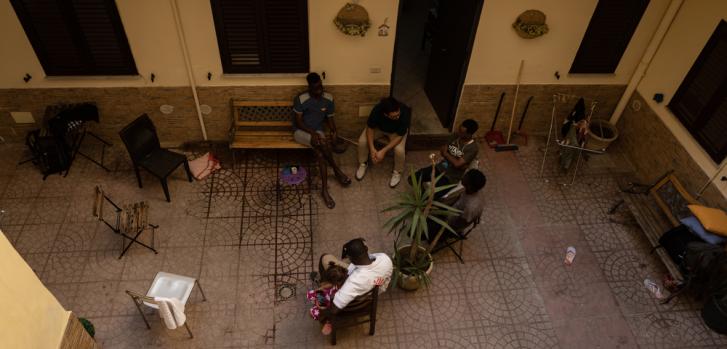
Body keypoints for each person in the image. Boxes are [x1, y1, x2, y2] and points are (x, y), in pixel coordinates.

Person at [293, 72, 351, 209]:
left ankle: (324, 191)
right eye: (315, 88)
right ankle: (337, 171)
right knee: (322, 144)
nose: (319, 90)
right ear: (309, 88)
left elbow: (330, 119)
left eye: (320, 86)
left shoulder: (328, 99)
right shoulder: (301, 99)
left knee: (320, 154)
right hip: (301, 132)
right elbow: (298, 122)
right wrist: (312, 133)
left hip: (317, 132)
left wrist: (334, 132)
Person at [318, 238, 393, 335]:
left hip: (356, 295)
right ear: (366, 248)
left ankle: (324, 282)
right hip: (373, 289)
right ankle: (328, 283)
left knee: (325, 258)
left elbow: (334, 309)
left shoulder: (352, 284)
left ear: (351, 259)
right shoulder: (385, 259)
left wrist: (320, 309)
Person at [410, 119, 479, 198]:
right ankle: (422, 195)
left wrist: (447, 154)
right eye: (459, 129)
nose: (459, 132)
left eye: (462, 132)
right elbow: (442, 150)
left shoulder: (473, 148)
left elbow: (456, 164)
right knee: (413, 178)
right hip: (441, 167)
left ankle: (424, 199)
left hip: (451, 177)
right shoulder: (455, 136)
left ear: (469, 134)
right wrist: (455, 160)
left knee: (431, 195)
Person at [355, 96, 411, 187]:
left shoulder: (404, 112)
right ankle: (363, 163)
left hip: (396, 133)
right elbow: (370, 128)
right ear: (385, 114)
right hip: (379, 129)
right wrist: (372, 148)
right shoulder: (377, 110)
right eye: (393, 116)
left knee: (399, 150)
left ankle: (397, 172)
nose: (397, 117)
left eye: (398, 114)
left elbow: (399, 136)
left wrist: (383, 151)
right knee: (362, 142)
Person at [425, 169, 486, 243]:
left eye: (465, 177)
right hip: (454, 210)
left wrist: (443, 220)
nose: (462, 177)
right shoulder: (473, 190)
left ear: (470, 186)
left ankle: (436, 239)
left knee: (426, 230)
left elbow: (459, 222)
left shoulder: (470, 207)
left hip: (451, 224)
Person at [307, 263, 348, 335]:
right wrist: (323, 288)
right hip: (332, 298)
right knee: (317, 292)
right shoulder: (343, 280)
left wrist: (318, 301)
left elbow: (323, 307)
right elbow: (332, 285)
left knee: (312, 312)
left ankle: (328, 321)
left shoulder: (336, 294)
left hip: (330, 308)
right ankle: (319, 284)